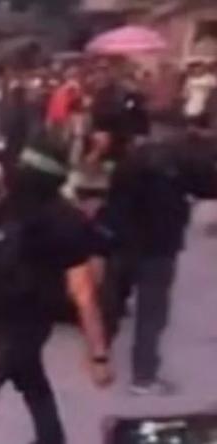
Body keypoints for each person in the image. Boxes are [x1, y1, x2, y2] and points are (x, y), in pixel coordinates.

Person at [0, 133, 113, 444]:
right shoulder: (3, 205)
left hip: (30, 321)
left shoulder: (63, 220)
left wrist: (98, 355)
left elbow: (83, 291)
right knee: (31, 380)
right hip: (1, 311)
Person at [101, 124, 217, 396]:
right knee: (152, 313)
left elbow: (114, 195)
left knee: (113, 299)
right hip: (159, 245)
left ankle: (99, 351)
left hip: (123, 241)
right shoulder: (189, 161)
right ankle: (143, 376)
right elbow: (209, 187)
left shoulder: (135, 157)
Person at [183, 62, 217, 128]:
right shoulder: (190, 79)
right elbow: (186, 89)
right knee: (190, 113)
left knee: (202, 113)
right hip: (193, 100)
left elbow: (214, 88)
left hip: (206, 100)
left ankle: (199, 126)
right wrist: (186, 95)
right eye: (196, 69)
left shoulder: (210, 78)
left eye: (200, 69)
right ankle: (192, 127)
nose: (198, 70)